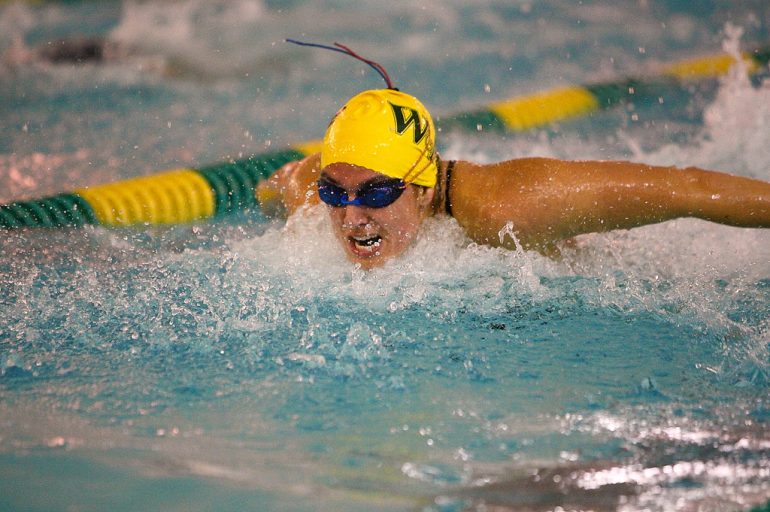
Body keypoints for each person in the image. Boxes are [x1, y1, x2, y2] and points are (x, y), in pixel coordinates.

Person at [256, 87, 770, 270]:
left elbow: (691, 189)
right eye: (334, 192)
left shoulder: (509, 208)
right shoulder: (312, 192)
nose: (350, 216)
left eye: (378, 191)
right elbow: (274, 185)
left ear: (425, 185)